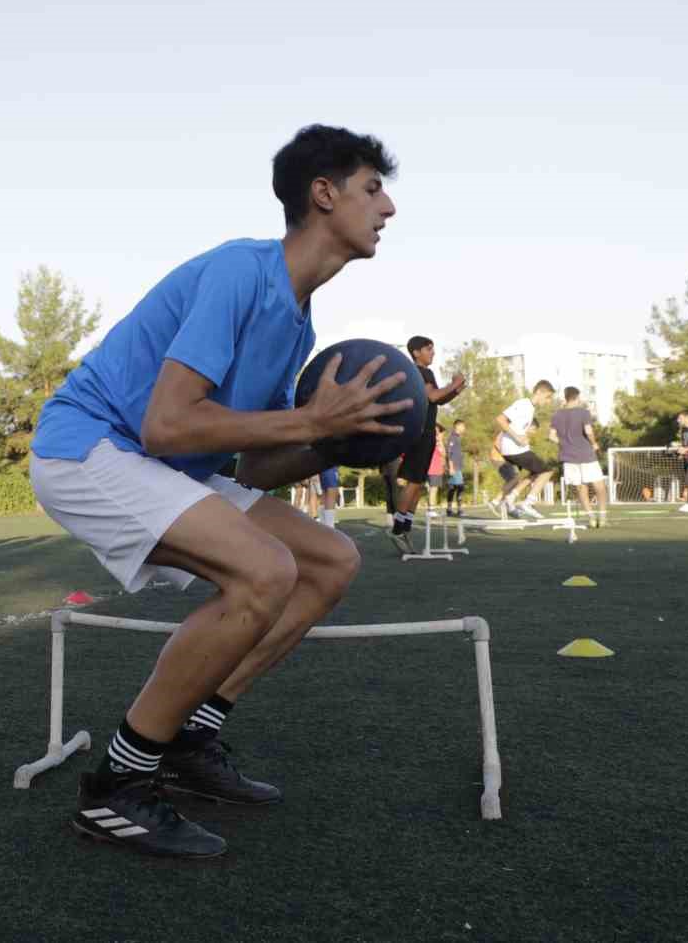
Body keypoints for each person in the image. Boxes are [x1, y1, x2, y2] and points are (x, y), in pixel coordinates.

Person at [30, 124, 406, 858]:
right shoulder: (243, 271)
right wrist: (308, 417)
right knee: (265, 570)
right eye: (372, 188)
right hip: (88, 448)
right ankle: (116, 785)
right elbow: (167, 424)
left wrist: (349, 435)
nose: (387, 207)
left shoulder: (298, 326)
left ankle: (190, 740)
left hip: (161, 463)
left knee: (330, 560)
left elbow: (253, 469)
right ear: (323, 194)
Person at [388, 336, 465, 554]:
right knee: (413, 482)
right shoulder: (417, 372)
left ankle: (405, 528)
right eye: (428, 349)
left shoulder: (427, 373)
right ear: (416, 352)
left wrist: (457, 389)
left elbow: (439, 400)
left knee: (418, 484)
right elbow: (432, 396)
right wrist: (455, 383)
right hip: (418, 432)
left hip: (426, 433)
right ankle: (396, 530)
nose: (433, 353)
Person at [489, 381, 557, 519]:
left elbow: (517, 427)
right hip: (512, 449)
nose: (548, 401)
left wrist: (522, 438)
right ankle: (528, 503)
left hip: (515, 449)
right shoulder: (523, 404)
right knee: (547, 471)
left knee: (535, 473)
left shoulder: (531, 408)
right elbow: (500, 419)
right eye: (548, 397)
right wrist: (517, 437)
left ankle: (510, 499)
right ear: (539, 392)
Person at [549, 387, 608, 528]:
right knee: (599, 486)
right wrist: (594, 443)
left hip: (568, 456)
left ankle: (591, 518)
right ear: (576, 398)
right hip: (586, 453)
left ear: (566, 397)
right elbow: (588, 431)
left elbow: (551, 436)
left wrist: (564, 443)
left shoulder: (556, 415)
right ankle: (603, 516)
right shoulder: (583, 412)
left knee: (581, 487)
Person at [443, 419, 467, 517]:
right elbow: (449, 453)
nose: (464, 428)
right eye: (463, 426)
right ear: (458, 426)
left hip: (457, 467)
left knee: (453, 488)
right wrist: (451, 468)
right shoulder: (453, 438)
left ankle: (449, 509)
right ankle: (460, 510)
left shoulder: (457, 437)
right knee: (460, 487)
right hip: (454, 468)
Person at [425, 424, 446, 510]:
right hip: (433, 469)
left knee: (432, 490)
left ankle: (430, 509)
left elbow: (444, 454)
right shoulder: (432, 441)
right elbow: (443, 454)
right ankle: (431, 510)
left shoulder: (436, 441)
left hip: (434, 469)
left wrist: (440, 442)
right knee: (433, 490)